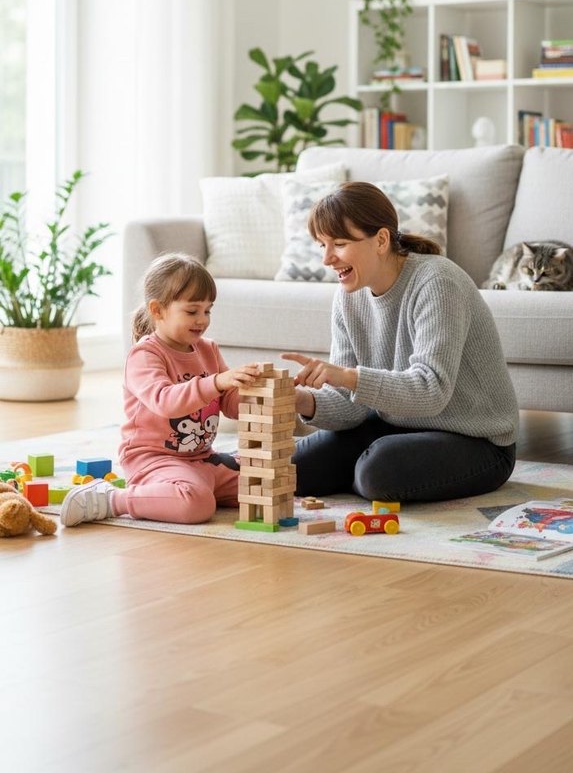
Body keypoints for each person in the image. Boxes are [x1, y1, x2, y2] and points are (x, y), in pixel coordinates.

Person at [284, 182, 519, 504]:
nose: (327, 258)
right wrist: (298, 399)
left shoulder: (437, 282)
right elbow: (350, 409)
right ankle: (356, 469)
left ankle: (357, 471)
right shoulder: (349, 297)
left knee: (377, 472)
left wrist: (346, 376)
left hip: (477, 440)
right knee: (291, 469)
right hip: (395, 426)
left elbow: (431, 390)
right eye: (321, 244)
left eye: (338, 243)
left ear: (381, 240)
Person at [60, 253, 262, 527]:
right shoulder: (144, 355)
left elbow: (230, 404)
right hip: (154, 459)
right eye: (192, 311)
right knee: (196, 503)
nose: (202, 319)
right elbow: (166, 401)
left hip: (201, 458)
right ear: (157, 310)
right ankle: (111, 500)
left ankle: (190, 490)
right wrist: (217, 382)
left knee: (263, 483)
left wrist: (263, 391)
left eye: (207, 310)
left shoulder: (208, 349)